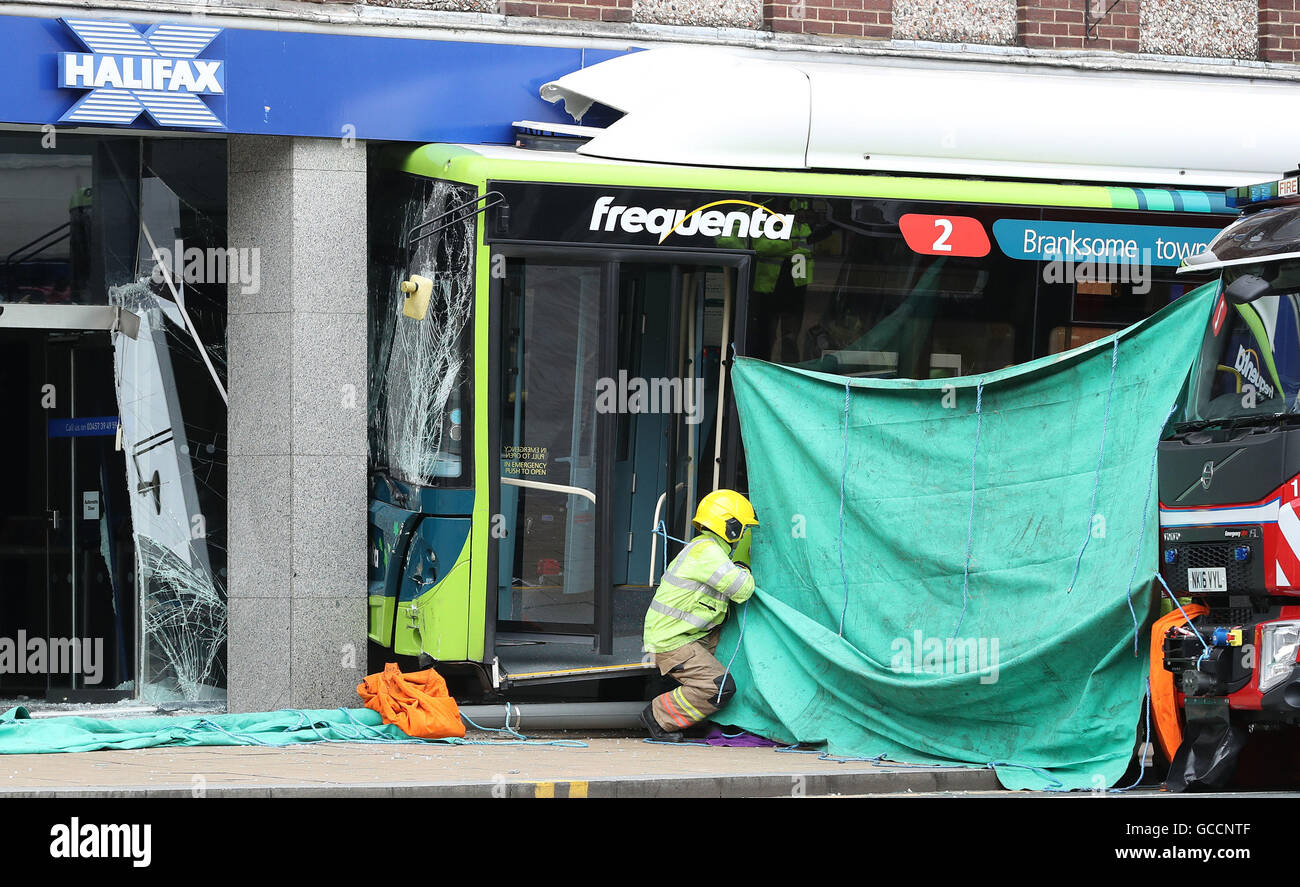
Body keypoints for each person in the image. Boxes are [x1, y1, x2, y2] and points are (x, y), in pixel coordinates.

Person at [640, 489, 759, 741]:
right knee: (719, 688)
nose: (744, 535)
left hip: (689, 634)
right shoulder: (708, 553)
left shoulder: (706, 550)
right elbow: (743, 590)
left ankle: (697, 717)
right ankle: (658, 717)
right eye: (744, 529)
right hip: (674, 640)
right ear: (731, 527)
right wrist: (743, 564)